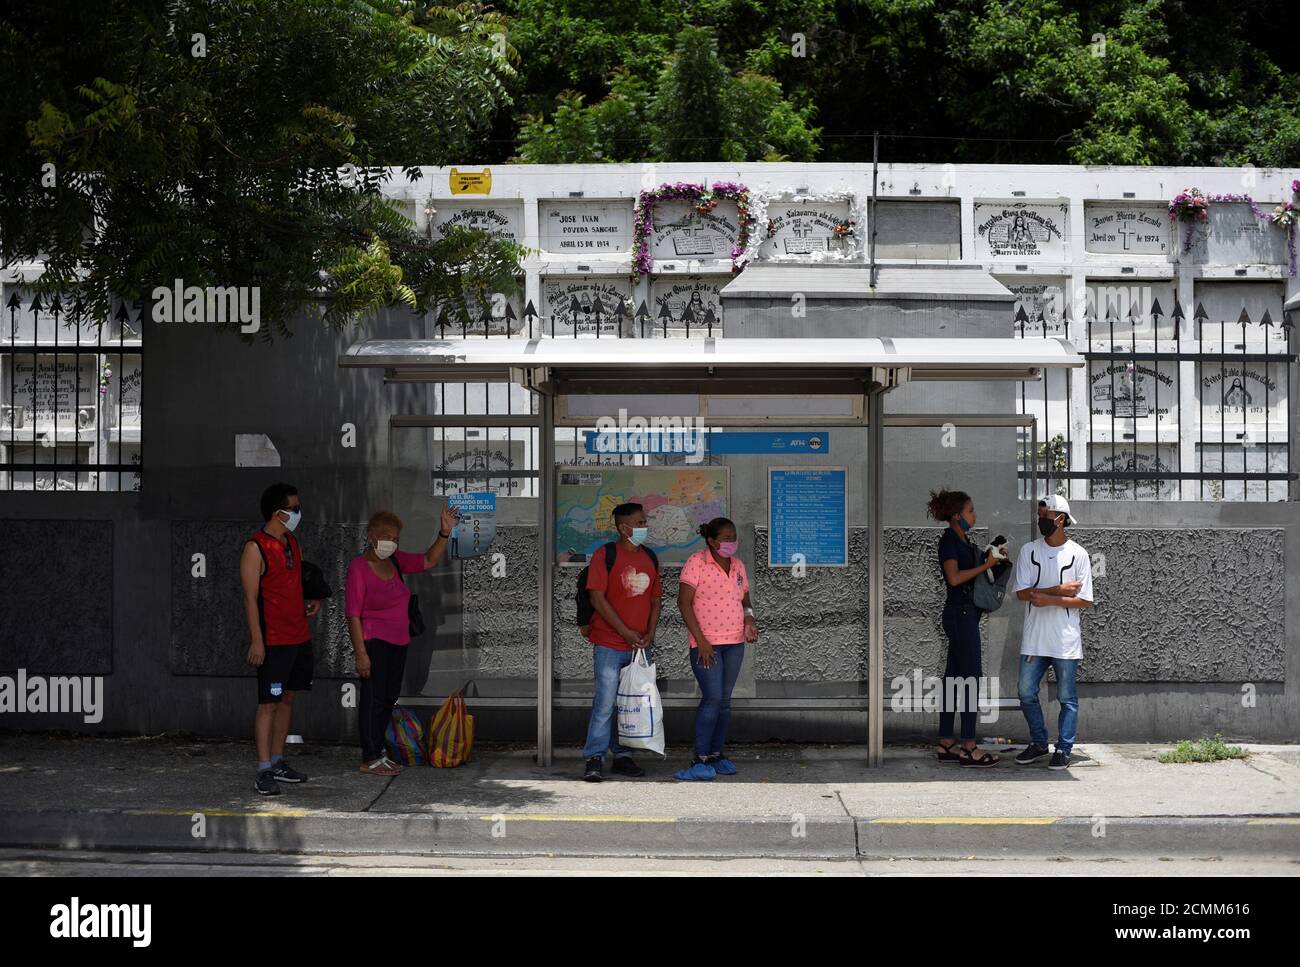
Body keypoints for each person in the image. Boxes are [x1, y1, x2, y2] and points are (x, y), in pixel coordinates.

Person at [346, 505, 458, 776]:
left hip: (399, 641)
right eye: (387, 537)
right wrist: (361, 653)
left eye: (396, 538)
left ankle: (379, 751)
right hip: (374, 642)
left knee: (388, 697)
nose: (392, 543)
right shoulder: (359, 568)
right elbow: (353, 615)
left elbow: (428, 561)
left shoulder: (394, 562)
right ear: (372, 535)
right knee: (373, 698)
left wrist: (444, 533)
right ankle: (370, 755)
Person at [240, 482, 321, 795]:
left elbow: (296, 581)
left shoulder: (292, 542)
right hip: (273, 641)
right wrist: (257, 641)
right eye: (294, 508)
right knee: (268, 704)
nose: (298, 513)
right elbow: (250, 599)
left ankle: (278, 760)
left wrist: (315, 599)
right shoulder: (254, 548)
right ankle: (263, 769)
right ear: (278, 513)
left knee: (288, 699)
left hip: (298, 636)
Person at [1011, 495, 1095, 770]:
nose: (1041, 520)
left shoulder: (1079, 554)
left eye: (1046, 515)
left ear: (1060, 519)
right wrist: (1058, 590)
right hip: (1035, 639)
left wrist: (1048, 599)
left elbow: (1084, 600)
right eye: (1040, 514)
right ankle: (1038, 742)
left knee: (1067, 698)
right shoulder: (1029, 551)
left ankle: (1064, 748)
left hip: (1065, 641)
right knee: (1025, 692)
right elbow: (1022, 593)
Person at [581, 502, 662, 782]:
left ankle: (624, 755)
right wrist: (625, 632)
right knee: (605, 703)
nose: (644, 527)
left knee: (632, 703)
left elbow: (655, 599)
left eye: (644, 521)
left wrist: (649, 632)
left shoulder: (650, 557)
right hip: (609, 643)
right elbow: (597, 598)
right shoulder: (606, 555)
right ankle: (594, 757)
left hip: (640, 646)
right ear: (623, 528)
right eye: (639, 523)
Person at [675, 517, 758, 781]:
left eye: (734, 537)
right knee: (711, 698)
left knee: (724, 701)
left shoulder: (738, 566)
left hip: (734, 643)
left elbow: (745, 599)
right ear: (711, 541)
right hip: (706, 645)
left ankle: (715, 754)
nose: (732, 542)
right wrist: (701, 641)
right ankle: (699, 758)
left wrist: (750, 618)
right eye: (726, 538)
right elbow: (684, 604)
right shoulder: (696, 563)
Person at [927, 488, 1003, 768]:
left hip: (965, 614)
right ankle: (969, 746)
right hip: (960, 614)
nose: (975, 515)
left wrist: (992, 560)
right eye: (970, 511)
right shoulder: (949, 540)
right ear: (957, 516)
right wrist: (986, 567)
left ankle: (946, 741)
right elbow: (955, 578)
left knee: (953, 678)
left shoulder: (962, 539)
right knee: (971, 678)